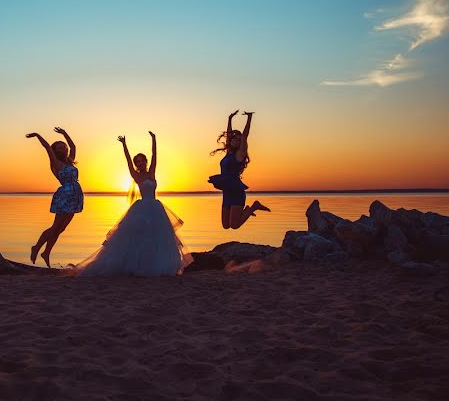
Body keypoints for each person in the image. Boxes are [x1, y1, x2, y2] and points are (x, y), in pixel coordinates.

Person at [76, 131, 191, 277]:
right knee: (138, 237)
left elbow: (155, 156)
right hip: (142, 208)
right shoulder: (136, 176)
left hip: (156, 208)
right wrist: (124, 145)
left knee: (159, 237)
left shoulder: (152, 173)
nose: (141, 163)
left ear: (146, 162)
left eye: (143, 161)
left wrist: (154, 140)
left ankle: (155, 264)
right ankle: (135, 265)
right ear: (136, 165)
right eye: (138, 162)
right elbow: (128, 161)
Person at [26, 127, 83, 267]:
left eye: (63, 146)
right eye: (59, 148)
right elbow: (47, 147)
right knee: (55, 226)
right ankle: (36, 247)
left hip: (75, 196)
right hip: (65, 195)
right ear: (56, 151)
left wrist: (64, 133)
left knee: (61, 229)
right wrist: (38, 134)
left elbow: (73, 146)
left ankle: (46, 253)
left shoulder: (70, 161)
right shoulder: (56, 164)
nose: (63, 148)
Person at [209, 110, 270, 229]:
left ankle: (253, 207)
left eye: (239, 140)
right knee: (225, 225)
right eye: (234, 139)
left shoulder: (240, 154)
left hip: (237, 192)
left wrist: (249, 118)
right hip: (227, 192)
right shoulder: (229, 153)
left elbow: (245, 135)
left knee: (234, 225)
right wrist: (230, 118)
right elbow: (229, 133)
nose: (236, 141)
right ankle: (246, 211)